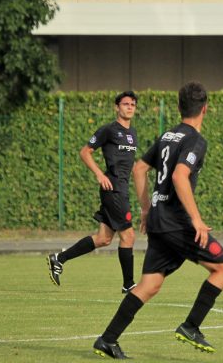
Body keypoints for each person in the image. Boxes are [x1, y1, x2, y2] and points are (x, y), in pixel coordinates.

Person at [92, 82, 223, 359]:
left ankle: (107, 340)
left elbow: (139, 169)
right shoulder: (195, 139)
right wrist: (196, 219)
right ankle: (191, 326)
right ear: (205, 108)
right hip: (176, 222)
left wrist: (147, 210)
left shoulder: (168, 135)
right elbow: (179, 176)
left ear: (179, 107)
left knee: (150, 285)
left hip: (159, 219)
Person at [47, 91, 138, 294]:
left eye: (133, 104)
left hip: (121, 190)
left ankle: (58, 259)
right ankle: (129, 284)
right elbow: (85, 151)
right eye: (125, 104)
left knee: (104, 239)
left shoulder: (133, 134)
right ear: (117, 107)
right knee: (129, 236)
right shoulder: (108, 130)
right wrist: (99, 174)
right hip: (112, 189)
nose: (130, 107)